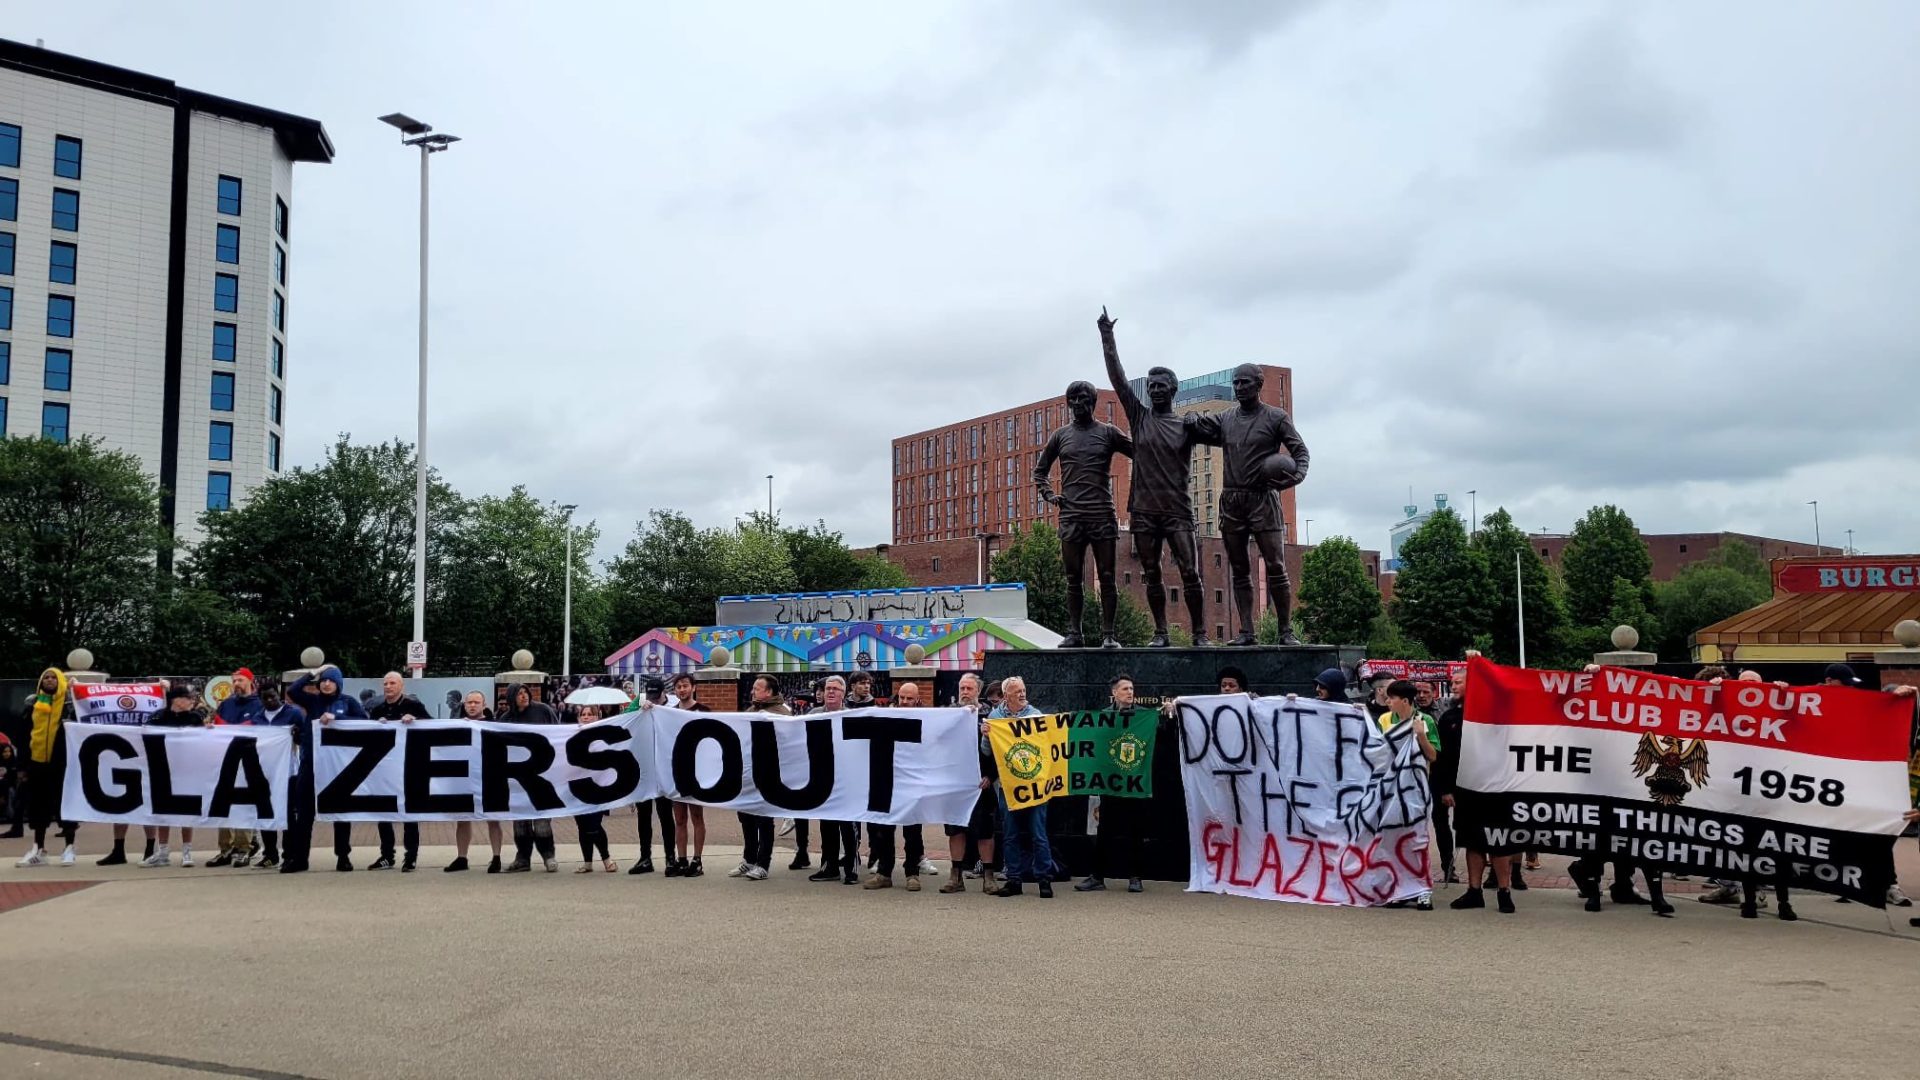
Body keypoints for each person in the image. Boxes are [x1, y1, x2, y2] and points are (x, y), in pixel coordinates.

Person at [1098, 308, 1222, 646]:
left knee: (1190, 573)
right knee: (1151, 573)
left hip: (1178, 510)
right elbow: (1118, 380)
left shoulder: (1187, 424)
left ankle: (1199, 634)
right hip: (1143, 511)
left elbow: (1227, 435)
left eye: (1160, 386)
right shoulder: (1139, 417)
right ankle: (1161, 633)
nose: (1154, 390)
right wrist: (1107, 336)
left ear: (1173, 390)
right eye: (1150, 386)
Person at [1034, 380, 1136, 648]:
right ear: (1068, 404)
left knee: (1107, 577)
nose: (1078, 404)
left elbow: (1141, 453)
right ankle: (1075, 633)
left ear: (1093, 402)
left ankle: (1109, 635)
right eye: (1073, 399)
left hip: (1101, 513)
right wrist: (1049, 495)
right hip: (1071, 516)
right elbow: (1040, 471)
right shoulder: (1060, 436)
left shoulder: (1109, 432)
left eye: (1083, 399)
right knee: (1073, 578)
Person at [1215, 363, 1310, 645]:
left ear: (1258, 385)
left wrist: (1296, 476)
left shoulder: (1276, 418)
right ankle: (1246, 631)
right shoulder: (1225, 419)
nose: (1239, 388)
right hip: (1232, 500)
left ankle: (1285, 631)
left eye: (1244, 383)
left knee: (1276, 566)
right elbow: (1194, 428)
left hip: (1263, 500)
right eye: (1236, 383)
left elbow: (1300, 452)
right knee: (1239, 569)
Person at [1443, 657, 1517, 914]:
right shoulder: (1449, 717)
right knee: (1472, 841)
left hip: (1497, 787)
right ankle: (1474, 891)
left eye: (1458, 681)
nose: (1452, 685)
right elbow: (1446, 758)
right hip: (1465, 789)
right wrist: (1446, 789)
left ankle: (1504, 892)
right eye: (1452, 682)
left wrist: (1480, 666)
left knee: (1499, 841)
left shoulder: (1495, 713)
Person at [1077, 674, 1152, 894]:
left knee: (1136, 831)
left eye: (1131, 688)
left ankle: (1136, 876)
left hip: (1135, 782)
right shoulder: (1104, 717)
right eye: (1125, 689)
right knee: (1105, 831)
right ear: (1114, 693)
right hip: (1112, 783)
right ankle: (1097, 876)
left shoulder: (1144, 716)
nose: (1130, 692)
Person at [287, 663, 365, 871]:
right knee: (304, 814)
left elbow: (365, 723)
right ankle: (300, 859)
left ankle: (343, 857)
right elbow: (292, 690)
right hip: (310, 765)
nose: (327, 684)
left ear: (338, 684)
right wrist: (315, 671)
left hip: (338, 768)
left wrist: (337, 718)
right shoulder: (312, 701)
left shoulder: (348, 703)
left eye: (331, 680)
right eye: (323, 681)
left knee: (340, 813)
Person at [1377, 679, 1439, 911]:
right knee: (1392, 840)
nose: (1388, 702)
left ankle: (1423, 889)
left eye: (1392, 698)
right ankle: (1399, 888)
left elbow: (1432, 756)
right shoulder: (1385, 720)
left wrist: (1421, 736)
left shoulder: (1425, 721)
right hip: (1390, 790)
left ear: (1404, 701)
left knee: (1417, 841)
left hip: (1415, 790)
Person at [989, 676, 1053, 898]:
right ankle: (1014, 880)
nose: (1022, 694)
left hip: (1035, 785)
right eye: (1017, 691)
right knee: (1010, 834)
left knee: (1038, 833)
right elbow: (988, 752)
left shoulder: (1035, 716)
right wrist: (986, 736)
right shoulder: (995, 717)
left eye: (1024, 690)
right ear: (1006, 695)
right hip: (1009, 785)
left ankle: (1044, 879)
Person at [865, 680, 929, 891]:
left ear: (917, 699)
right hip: (887, 781)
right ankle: (884, 872)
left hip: (912, 782)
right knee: (884, 829)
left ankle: (912, 873)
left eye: (910, 698)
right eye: (902, 697)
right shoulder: (885, 717)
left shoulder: (928, 719)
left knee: (912, 831)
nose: (905, 701)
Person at [940, 673, 999, 895]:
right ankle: (955, 876)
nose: (964, 692)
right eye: (962, 688)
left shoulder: (990, 717)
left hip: (980, 785)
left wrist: (991, 776)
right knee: (955, 830)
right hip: (954, 785)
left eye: (969, 689)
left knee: (985, 832)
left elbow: (1000, 750)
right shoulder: (948, 715)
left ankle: (988, 877)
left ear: (978, 691)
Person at [364, 672, 427, 871]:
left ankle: (411, 856)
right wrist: (376, 725)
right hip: (385, 768)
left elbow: (433, 726)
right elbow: (366, 733)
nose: (388, 686)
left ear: (401, 686)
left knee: (409, 812)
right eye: (385, 683)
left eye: (392, 683)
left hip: (409, 766)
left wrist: (416, 720)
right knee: (383, 812)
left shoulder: (413, 706)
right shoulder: (377, 709)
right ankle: (386, 855)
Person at [15, 667, 78, 867]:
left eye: (53, 678)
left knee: (65, 806)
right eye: (46, 678)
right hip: (36, 764)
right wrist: (23, 766)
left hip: (62, 765)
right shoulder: (33, 704)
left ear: (60, 681)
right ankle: (39, 849)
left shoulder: (70, 705)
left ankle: (69, 848)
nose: (49, 681)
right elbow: (24, 736)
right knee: (37, 807)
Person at [729, 675, 788, 881]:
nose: (752, 691)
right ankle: (749, 859)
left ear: (769, 692)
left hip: (769, 773)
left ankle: (763, 863)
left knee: (764, 818)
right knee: (746, 816)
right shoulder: (751, 711)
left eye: (757, 688)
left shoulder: (782, 712)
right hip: (748, 774)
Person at [140, 684, 205, 867]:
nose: (191, 701)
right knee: (163, 810)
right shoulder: (158, 716)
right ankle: (163, 851)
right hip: (163, 768)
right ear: (175, 700)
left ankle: (187, 850)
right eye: (187, 698)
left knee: (187, 809)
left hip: (187, 769)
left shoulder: (194, 717)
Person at [806, 675, 862, 885]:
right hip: (822, 778)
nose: (830, 692)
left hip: (847, 780)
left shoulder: (853, 716)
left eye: (836, 689)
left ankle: (851, 868)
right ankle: (829, 866)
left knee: (848, 825)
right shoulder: (813, 714)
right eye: (828, 688)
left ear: (843, 693)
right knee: (826, 824)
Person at [209, 667, 266, 867]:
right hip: (226, 759)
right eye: (234, 681)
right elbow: (218, 725)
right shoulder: (226, 705)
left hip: (248, 760)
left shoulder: (259, 704)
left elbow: (259, 727)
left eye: (240, 680)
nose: (236, 684)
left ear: (250, 682)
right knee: (223, 801)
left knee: (243, 803)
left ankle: (245, 847)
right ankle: (225, 848)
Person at [501, 685, 560, 873]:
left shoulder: (543, 711)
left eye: (525, 692)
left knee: (542, 820)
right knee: (520, 822)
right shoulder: (505, 719)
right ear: (512, 698)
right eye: (519, 694)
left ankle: (548, 856)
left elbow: (559, 735)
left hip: (542, 773)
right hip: (517, 777)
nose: (524, 696)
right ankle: (523, 858)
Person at [447, 692, 504, 873]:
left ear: (484, 704)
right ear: (464, 705)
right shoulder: (457, 726)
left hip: (489, 775)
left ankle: (496, 857)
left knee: (493, 818)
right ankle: (462, 857)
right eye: (469, 702)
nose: (472, 705)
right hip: (465, 776)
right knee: (463, 819)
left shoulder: (495, 725)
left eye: (476, 702)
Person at [628, 678, 678, 876]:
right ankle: (645, 857)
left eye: (656, 697)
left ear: (663, 693)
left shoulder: (673, 704)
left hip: (664, 769)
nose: (654, 701)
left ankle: (670, 858)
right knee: (643, 815)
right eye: (650, 696)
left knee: (666, 815)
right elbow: (624, 719)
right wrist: (639, 708)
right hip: (645, 767)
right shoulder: (640, 701)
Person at [258, 680, 306, 871]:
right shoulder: (257, 718)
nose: (270, 700)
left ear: (279, 695)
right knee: (265, 812)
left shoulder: (293, 713)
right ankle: (270, 854)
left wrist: (296, 736)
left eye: (273, 696)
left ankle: (289, 854)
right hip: (265, 772)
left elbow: (305, 737)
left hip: (288, 772)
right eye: (265, 698)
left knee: (288, 815)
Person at [572, 705, 618, 873]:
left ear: (596, 717)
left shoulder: (602, 737)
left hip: (598, 788)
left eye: (589, 714)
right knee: (582, 826)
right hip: (578, 787)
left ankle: (606, 859)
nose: (586, 717)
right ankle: (587, 862)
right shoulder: (571, 736)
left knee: (593, 825)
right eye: (583, 714)